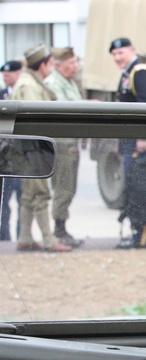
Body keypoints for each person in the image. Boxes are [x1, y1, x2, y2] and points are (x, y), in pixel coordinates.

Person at [11, 44, 71, 253]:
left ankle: (25, 237)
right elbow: (34, 120)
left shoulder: (28, 82)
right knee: (39, 194)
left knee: (29, 195)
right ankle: (48, 239)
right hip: (32, 149)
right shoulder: (30, 86)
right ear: (43, 64)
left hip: (27, 149)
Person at [110, 36, 146, 248]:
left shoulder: (139, 72)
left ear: (132, 50)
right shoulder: (128, 73)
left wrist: (143, 136)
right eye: (114, 55)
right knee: (134, 189)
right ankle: (138, 234)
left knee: (144, 191)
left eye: (120, 53)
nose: (117, 57)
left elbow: (145, 107)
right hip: (130, 141)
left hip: (139, 143)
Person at [43, 46, 84, 247]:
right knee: (63, 188)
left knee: (69, 188)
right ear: (58, 65)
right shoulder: (53, 83)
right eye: (71, 63)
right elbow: (65, 109)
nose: (75, 66)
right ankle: (59, 230)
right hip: (62, 144)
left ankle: (62, 228)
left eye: (76, 61)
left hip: (70, 143)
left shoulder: (68, 82)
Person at [0, 60, 22, 242]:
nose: (5, 78)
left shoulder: (23, 93)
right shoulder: (1, 95)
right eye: (3, 75)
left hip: (22, 158)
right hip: (5, 159)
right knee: (3, 202)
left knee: (25, 201)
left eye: (8, 74)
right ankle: (4, 238)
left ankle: (22, 235)